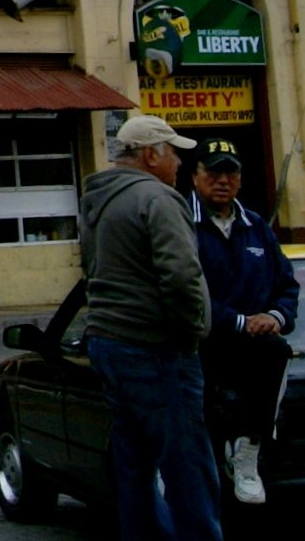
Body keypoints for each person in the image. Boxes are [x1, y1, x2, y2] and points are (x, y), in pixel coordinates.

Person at [80, 115, 222, 541]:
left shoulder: (99, 201)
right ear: (150, 154)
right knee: (188, 466)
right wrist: (193, 330)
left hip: (110, 343)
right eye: (172, 151)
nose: (178, 161)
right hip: (156, 347)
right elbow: (180, 276)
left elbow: (92, 269)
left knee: (134, 468)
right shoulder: (158, 199)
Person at [188, 138, 297, 506]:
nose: (223, 180)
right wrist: (237, 322)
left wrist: (274, 316)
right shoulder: (183, 225)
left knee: (277, 350)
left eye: (230, 172)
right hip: (202, 347)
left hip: (255, 349)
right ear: (196, 175)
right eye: (213, 172)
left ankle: (248, 451)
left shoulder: (257, 228)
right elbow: (183, 291)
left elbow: (287, 284)